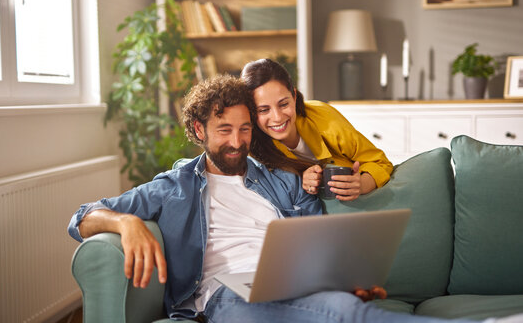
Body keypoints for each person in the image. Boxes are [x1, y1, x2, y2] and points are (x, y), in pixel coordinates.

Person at [68, 75, 487, 323]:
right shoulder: (173, 186)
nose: (237, 142)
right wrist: (126, 222)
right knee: (344, 317)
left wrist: (345, 278)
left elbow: (321, 242)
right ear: (198, 130)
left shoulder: (283, 181)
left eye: (245, 129)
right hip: (224, 295)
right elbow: (82, 217)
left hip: (292, 284)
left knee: (343, 306)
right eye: (224, 130)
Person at [241, 58, 393, 201]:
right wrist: (302, 177)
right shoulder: (253, 146)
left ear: (294, 96)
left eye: (283, 104)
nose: (277, 117)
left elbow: (381, 163)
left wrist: (362, 184)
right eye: (263, 110)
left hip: (359, 199)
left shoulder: (323, 117)